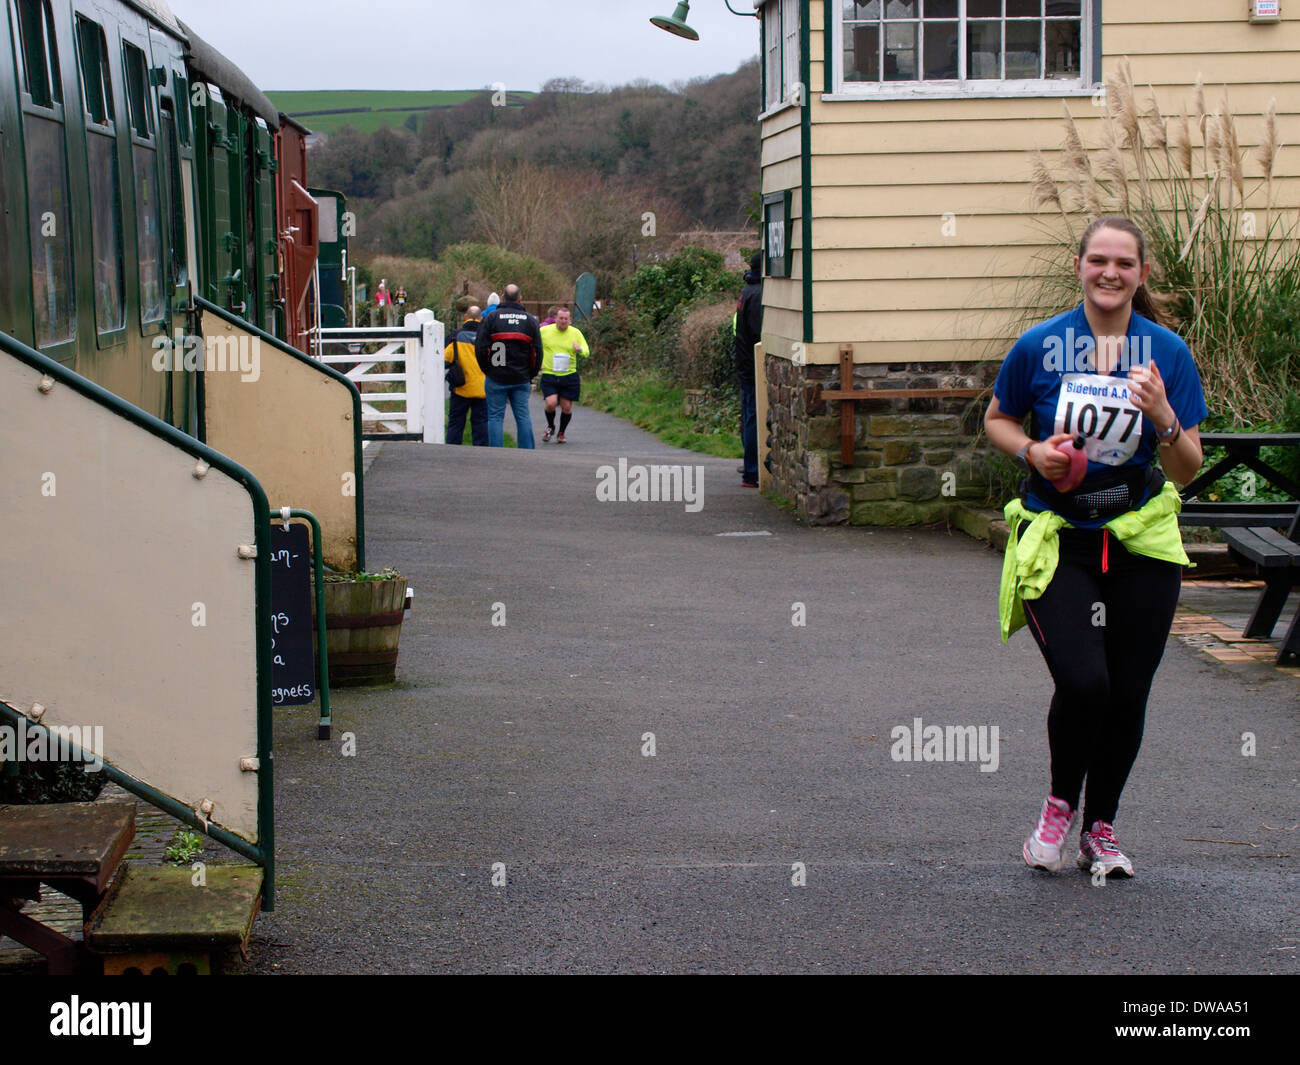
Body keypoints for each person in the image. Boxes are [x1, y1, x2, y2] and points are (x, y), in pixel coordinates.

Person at [985, 216, 1207, 879]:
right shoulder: (1040, 344)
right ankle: (1059, 806)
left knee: (1128, 691)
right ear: (1078, 264)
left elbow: (1189, 467)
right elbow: (996, 417)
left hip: (1138, 537)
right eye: (1099, 260)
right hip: (1063, 538)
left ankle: (1101, 828)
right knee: (1085, 682)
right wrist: (1031, 450)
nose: (1111, 272)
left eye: (1125, 263)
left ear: (1141, 274)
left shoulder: (1167, 352)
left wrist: (1164, 415)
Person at [476, 284, 542, 449]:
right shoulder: (530, 320)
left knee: (495, 417)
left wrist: (487, 370)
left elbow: (480, 348)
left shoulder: (491, 318)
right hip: (521, 376)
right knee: (523, 416)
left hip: (496, 375)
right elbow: (538, 351)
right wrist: (530, 374)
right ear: (520, 299)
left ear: (503, 298)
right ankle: (527, 452)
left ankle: (497, 453)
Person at [538, 307, 589, 443]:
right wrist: (538, 362)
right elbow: (533, 346)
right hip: (549, 373)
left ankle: (561, 432)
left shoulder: (576, 333)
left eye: (566, 319)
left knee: (566, 407)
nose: (563, 321)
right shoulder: (544, 331)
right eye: (560, 318)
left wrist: (580, 349)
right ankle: (550, 426)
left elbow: (586, 350)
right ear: (555, 319)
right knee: (551, 403)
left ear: (570, 320)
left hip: (569, 375)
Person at [734, 250, 763, 487]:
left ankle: (750, 467)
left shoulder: (746, 292)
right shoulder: (757, 295)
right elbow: (758, 334)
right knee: (753, 415)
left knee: (748, 416)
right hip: (753, 365)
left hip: (743, 363)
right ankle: (752, 472)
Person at [444, 305, 487, 446]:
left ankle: (453, 451)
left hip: (461, 388)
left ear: (465, 317)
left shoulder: (456, 337)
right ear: (481, 318)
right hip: (483, 390)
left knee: (456, 424)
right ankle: (481, 454)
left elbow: (444, 360)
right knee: (481, 425)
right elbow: (499, 361)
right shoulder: (488, 337)